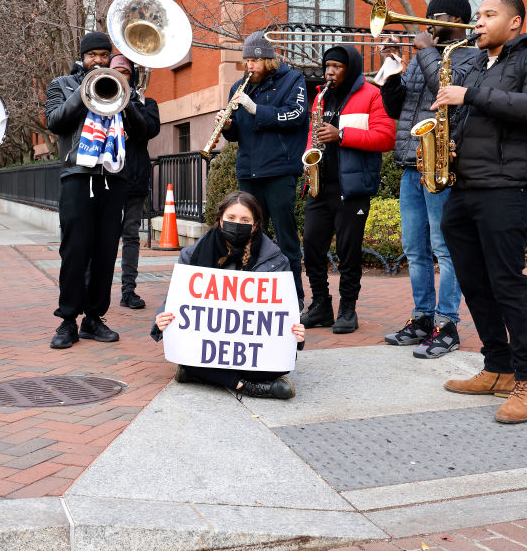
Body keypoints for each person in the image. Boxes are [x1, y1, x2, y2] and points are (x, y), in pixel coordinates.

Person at [431, 0, 527, 424]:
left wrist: (467, 96)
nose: (478, 23)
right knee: (473, 281)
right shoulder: (476, 64)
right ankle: (498, 366)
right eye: (478, 15)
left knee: (507, 283)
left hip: (509, 188)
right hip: (466, 188)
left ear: (516, 23)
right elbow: (475, 119)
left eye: (489, 15)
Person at [380, 0, 480, 358]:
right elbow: (395, 108)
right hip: (411, 161)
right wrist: (391, 71)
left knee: (445, 248)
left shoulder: (472, 56)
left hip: (441, 165)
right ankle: (422, 318)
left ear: (455, 20)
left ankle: (447, 324)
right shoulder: (425, 55)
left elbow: (446, 92)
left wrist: (424, 53)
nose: (425, 25)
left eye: (433, 18)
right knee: (414, 249)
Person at [152, 191, 304, 399]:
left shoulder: (275, 261)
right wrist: (162, 318)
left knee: (277, 364)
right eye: (231, 218)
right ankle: (245, 386)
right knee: (187, 351)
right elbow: (176, 300)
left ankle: (200, 374)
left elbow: (283, 311)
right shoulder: (192, 255)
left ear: (255, 225)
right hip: (208, 342)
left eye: (244, 220)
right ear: (220, 221)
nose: (237, 224)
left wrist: (295, 332)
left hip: (249, 343)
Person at [299, 45, 394, 334]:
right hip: (320, 185)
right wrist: (308, 161)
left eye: (336, 67)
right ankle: (321, 305)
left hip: (351, 187)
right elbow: (313, 134)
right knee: (313, 248)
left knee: (347, 251)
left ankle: (348, 309)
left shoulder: (372, 95)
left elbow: (386, 137)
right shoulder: (321, 97)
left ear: (350, 68)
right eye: (327, 66)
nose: (329, 72)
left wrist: (342, 135)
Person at [45, 31, 126, 349]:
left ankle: (94, 318)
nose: (99, 61)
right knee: (75, 251)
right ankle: (67, 320)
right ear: (83, 57)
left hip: (112, 177)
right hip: (77, 176)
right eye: (92, 55)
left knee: (106, 252)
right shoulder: (61, 85)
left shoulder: (120, 84)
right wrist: (83, 92)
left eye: (104, 55)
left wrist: (125, 95)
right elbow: (55, 121)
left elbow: (146, 128)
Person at [218, 31, 308, 308]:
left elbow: (296, 115)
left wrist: (257, 109)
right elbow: (238, 134)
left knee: (286, 237)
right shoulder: (239, 87)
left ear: (268, 60)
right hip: (249, 171)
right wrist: (228, 126)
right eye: (247, 61)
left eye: (254, 61)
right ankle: (255, 296)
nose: (250, 66)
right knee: (250, 236)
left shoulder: (293, 80)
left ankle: (294, 298)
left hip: (280, 170)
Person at [110, 54, 161, 310]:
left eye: (126, 72)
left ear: (134, 76)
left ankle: (128, 291)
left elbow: (147, 131)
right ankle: (93, 289)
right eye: (115, 71)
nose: (120, 75)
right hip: (106, 178)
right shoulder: (101, 100)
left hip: (134, 178)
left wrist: (128, 103)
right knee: (103, 237)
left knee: (130, 236)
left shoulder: (146, 103)